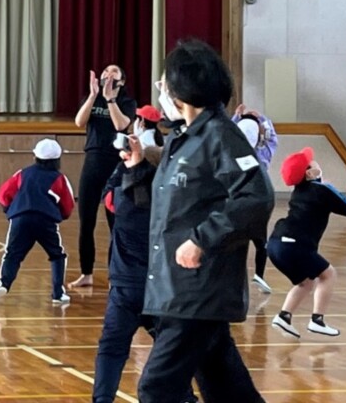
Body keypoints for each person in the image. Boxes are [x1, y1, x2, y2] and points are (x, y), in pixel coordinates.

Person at [137, 39, 274, 403]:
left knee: (157, 389)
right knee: (227, 389)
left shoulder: (220, 135)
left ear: (184, 88)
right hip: (175, 289)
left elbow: (255, 196)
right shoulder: (184, 139)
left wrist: (202, 238)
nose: (162, 89)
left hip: (198, 291)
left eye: (166, 82)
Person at [93, 135, 196, 403]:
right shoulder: (169, 205)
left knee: (112, 349)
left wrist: (124, 164)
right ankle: (186, 398)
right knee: (169, 351)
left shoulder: (120, 200)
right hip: (160, 290)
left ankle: (102, 399)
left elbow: (107, 191)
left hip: (125, 290)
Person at [269, 147, 346, 338]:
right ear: (309, 173)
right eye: (312, 161)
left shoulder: (301, 190)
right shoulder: (321, 189)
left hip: (275, 244)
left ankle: (284, 316)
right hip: (294, 245)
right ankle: (317, 320)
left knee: (306, 281)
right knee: (328, 274)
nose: (316, 161)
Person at [71, 65, 137, 288]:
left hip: (116, 166)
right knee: (86, 222)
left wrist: (110, 100)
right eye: (106, 71)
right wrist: (93, 96)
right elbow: (79, 122)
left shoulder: (127, 102)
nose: (109, 74)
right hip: (92, 162)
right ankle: (86, 273)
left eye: (115, 72)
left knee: (115, 223)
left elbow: (121, 125)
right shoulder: (93, 99)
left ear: (122, 80)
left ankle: (115, 275)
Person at [0, 139, 74, 305]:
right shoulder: (59, 178)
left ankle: (3, 283)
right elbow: (68, 204)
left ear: (35, 156)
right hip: (46, 220)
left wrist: (9, 209)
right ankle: (58, 293)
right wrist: (61, 216)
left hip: (20, 217)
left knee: (12, 254)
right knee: (57, 255)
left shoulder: (23, 173)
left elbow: (4, 193)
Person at [232, 104, 279, 295]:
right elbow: (272, 139)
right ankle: (259, 274)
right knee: (261, 242)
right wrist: (262, 119)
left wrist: (236, 117)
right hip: (259, 202)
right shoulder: (262, 155)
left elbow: (225, 132)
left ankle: (235, 280)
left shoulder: (231, 153)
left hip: (237, 201)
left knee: (236, 243)